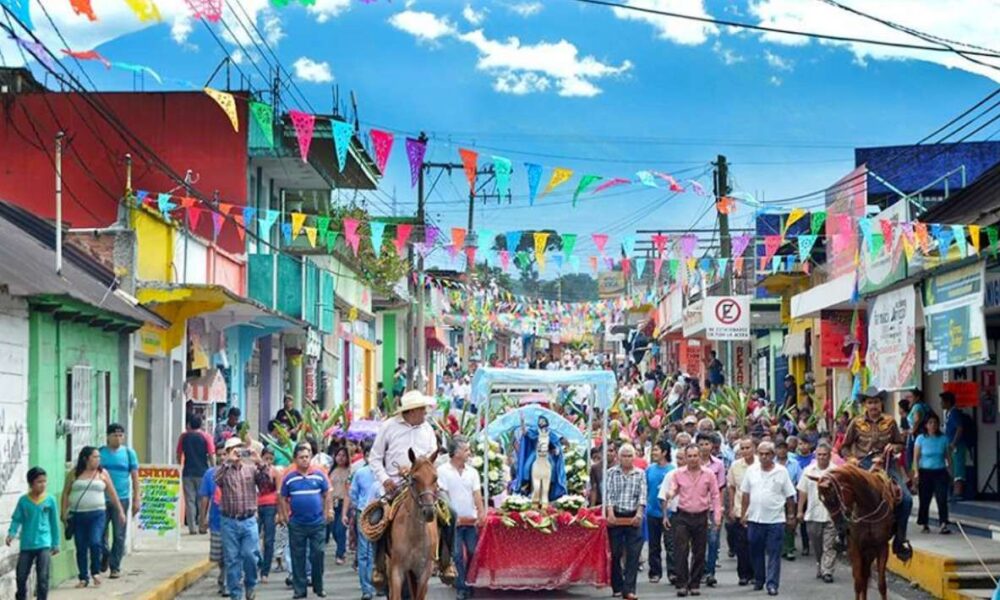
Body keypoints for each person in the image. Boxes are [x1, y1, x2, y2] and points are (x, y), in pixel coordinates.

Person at [369, 390, 454, 587]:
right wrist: (384, 479)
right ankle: (379, 566)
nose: (425, 413)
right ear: (412, 411)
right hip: (395, 485)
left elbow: (435, 459)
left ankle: (446, 562)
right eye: (422, 410)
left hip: (423, 485)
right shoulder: (388, 427)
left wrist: (426, 473)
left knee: (451, 513)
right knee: (376, 519)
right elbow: (374, 458)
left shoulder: (427, 430)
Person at [839, 387, 912, 561]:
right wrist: (851, 459)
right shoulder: (855, 423)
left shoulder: (890, 421)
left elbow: (901, 444)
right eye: (870, 402)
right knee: (844, 496)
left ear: (881, 404)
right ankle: (841, 535)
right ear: (865, 404)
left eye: (876, 402)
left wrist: (892, 447)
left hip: (887, 465)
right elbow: (844, 447)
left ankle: (899, 541)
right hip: (862, 465)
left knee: (907, 499)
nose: (873, 406)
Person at [215, 436, 272, 600]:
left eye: (240, 448)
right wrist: (228, 462)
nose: (238, 452)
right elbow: (217, 480)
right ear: (226, 453)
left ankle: (250, 584)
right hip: (229, 521)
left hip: (248, 520)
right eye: (233, 449)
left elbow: (265, 483)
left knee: (250, 555)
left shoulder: (251, 468)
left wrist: (259, 461)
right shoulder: (223, 471)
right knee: (232, 560)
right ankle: (235, 594)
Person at [61, 446, 125, 588]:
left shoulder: (102, 473)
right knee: (81, 546)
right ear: (86, 458)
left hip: (97, 514)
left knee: (96, 542)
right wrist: (63, 512)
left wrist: (120, 511)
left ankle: (95, 572)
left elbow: (112, 493)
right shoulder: (74, 474)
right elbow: (66, 493)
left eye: (99, 457)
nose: (98, 460)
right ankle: (83, 577)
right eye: (95, 457)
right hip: (78, 515)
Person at [663, 444, 722, 597]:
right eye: (690, 456)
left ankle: (695, 583)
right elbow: (674, 489)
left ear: (699, 456)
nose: (693, 459)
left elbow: (715, 495)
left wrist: (716, 517)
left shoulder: (709, 474)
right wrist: (670, 493)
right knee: (681, 551)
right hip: (682, 516)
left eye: (695, 456)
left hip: (701, 516)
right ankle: (682, 584)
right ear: (686, 457)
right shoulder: (678, 474)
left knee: (699, 551)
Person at [740, 441, 797, 596]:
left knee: (774, 553)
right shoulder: (751, 471)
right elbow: (746, 494)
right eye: (761, 454)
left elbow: (790, 495)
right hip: (754, 519)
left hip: (775, 520)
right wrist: (744, 513)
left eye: (767, 454)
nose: (764, 457)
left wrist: (791, 515)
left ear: (773, 455)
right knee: (755, 550)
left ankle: (772, 584)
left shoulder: (781, 471)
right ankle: (759, 579)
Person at [280, 443, 332, 599]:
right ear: (296, 459)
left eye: (307, 457)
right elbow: (282, 497)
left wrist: (328, 511)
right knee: (298, 557)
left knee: (318, 553)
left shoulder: (319, 475)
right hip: (297, 523)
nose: (305, 460)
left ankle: (318, 586)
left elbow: (327, 493)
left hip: (317, 523)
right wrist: (284, 515)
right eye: (301, 457)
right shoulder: (289, 478)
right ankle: (300, 589)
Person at [438, 436, 486, 600]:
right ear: (456, 453)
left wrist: (481, 512)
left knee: (473, 552)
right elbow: (442, 495)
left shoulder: (472, 472)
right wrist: (450, 516)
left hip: (470, 520)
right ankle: (462, 587)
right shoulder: (443, 471)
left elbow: (477, 493)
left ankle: (469, 580)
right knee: (457, 555)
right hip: (453, 523)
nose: (469, 453)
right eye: (466, 450)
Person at [6, 467, 60, 600]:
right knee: (21, 576)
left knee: (42, 577)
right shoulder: (24, 501)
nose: (42, 485)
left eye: (44, 481)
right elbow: (17, 519)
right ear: (31, 484)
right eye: (39, 482)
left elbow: (54, 523)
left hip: (44, 543)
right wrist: (11, 533)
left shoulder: (50, 500)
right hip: (27, 544)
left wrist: (55, 543)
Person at [605, 443, 646, 600]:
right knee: (615, 553)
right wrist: (610, 513)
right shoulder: (611, 473)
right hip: (615, 514)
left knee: (633, 555)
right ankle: (617, 585)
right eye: (624, 456)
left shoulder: (640, 474)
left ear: (634, 457)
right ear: (618, 457)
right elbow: (608, 494)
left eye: (630, 456)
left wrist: (639, 513)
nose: (627, 459)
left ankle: (629, 589)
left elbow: (642, 495)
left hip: (633, 515)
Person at [99, 423, 140, 577]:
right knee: (100, 533)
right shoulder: (100, 453)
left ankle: (115, 566)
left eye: (120, 435)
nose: (118, 438)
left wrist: (137, 498)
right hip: (101, 499)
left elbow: (135, 477)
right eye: (114, 435)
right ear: (108, 436)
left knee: (119, 534)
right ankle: (105, 555)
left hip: (122, 499)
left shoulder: (129, 454)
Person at [797, 442, 837, 583]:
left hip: (831, 515)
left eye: (825, 455)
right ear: (816, 456)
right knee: (817, 544)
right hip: (813, 514)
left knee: (829, 545)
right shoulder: (808, 471)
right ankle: (820, 564)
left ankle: (827, 571)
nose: (822, 458)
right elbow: (803, 492)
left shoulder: (836, 472)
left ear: (829, 456)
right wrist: (799, 511)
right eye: (819, 455)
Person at [344, 441, 376, 600]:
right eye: (369, 454)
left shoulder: (385, 473)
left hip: (382, 514)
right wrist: (357, 510)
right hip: (363, 513)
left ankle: (378, 582)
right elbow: (353, 494)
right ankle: (366, 588)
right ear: (365, 455)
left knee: (379, 551)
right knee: (364, 552)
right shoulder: (360, 473)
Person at [914, 414, 952, 535]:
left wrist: (951, 472)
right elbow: (916, 457)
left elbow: (948, 457)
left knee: (942, 498)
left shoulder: (943, 439)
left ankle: (943, 523)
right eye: (930, 423)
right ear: (926, 425)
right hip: (925, 472)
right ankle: (925, 523)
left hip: (940, 471)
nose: (933, 425)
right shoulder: (921, 438)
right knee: (925, 499)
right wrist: (916, 472)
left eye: (935, 423)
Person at [726, 438, 757, 586]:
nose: (745, 451)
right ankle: (743, 575)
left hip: (758, 512)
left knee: (755, 544)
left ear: (754, 449)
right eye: (742, 448)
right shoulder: (735, 466)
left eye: (748, 448)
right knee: (741, 545)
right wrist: (731, 507)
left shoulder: (761, 465)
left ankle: (756, 573)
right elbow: (731, 487)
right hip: (740, 510)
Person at [178, 414, 216, 535]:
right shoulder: (206, 437)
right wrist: (214, 469)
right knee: (203, 500)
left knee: (189, 500)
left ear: (189, 424)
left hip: (187, 472)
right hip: (203, 472)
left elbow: (178, 453)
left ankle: (192, 528)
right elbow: (211, 454)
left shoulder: (183, 437)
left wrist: (180, 465)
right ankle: (202, 526)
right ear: (201, 424)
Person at [696, 432, 725, 587]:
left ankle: (710, 572)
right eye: (701, 444)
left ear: (712, 446)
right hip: (697, 508)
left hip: (713, 508)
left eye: (707, 444)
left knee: (713, 540)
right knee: (698, 541)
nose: (704, 447)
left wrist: (720, 507)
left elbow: (720, 488)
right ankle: (699, 570)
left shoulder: (718, 464)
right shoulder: (693, 463)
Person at [200, 446, 228, 596]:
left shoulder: (236, 472)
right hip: (216, 520)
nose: (222, 457)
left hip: (231, 519)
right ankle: (223, 575)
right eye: (219, 455)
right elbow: (205, 497)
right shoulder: (209, 474)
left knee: (231, 553)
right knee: (219, 555)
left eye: (225, 454)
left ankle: (226, 580)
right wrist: (202, 518)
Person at [645, 440, 674, 585]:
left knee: (671, 544)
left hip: (669, 514)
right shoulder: (649, 469)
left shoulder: (672, 470)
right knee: (653, 545)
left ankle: (673, 572)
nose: (653, 453)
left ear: (664, 452)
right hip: (651, 512)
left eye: (656, 450)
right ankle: (655, 572)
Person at [256, 447, 281, 583]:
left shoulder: (275, 472)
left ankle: (265, 571)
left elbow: (279, 492)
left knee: (268, 540)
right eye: (266, 458)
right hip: (257, 505)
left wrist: (279, 512)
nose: (268, 461)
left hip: (271, 506)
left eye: (271, 459)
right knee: (254, 538)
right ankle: (259, 563)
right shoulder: (256, 471)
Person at [774, 440, 802, 561]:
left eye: (783, 448)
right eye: (779, 448)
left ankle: (790, 549)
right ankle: (780, 548)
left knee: (790, 524)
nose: (781, 451)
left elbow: (800, 482)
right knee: (777, 524)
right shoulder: (772, 464)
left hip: (791, 497)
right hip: (776, 498)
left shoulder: (794, 464)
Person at [941, 392, 968, 500]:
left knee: (958, 468)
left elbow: (959, 428)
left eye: (942, 401)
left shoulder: (954, 413)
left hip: (957, 446)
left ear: (948, 402)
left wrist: (954, 443)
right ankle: (953, 491)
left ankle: (958, 492)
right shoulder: (948, 413)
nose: (941, 403)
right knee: (951, 467)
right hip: (949, 445)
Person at [326, 446, 351, 563]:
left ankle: (340, 554)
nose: (341, 458)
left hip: (344, 503)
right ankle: (342, 549)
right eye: (339, 455)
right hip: (333, 503)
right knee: (334, 531)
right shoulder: (331, 472)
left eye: (344, 456)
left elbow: (348, 491)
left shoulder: (349, 471)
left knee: (341, 529)